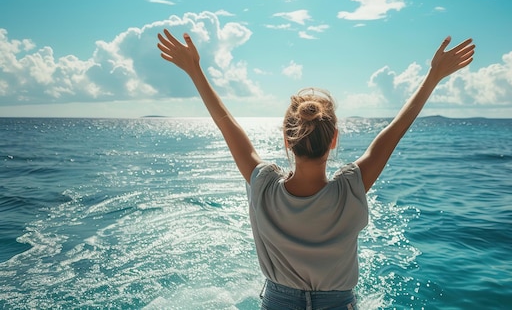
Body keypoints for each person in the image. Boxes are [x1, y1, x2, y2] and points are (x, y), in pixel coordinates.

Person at [157, 29, 474, 309]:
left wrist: (195, 70)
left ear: (286, 138)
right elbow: (395, 129)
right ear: (334, 138)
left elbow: (227, 125)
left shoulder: (264, 184)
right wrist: (433, 75)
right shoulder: (351, 188)